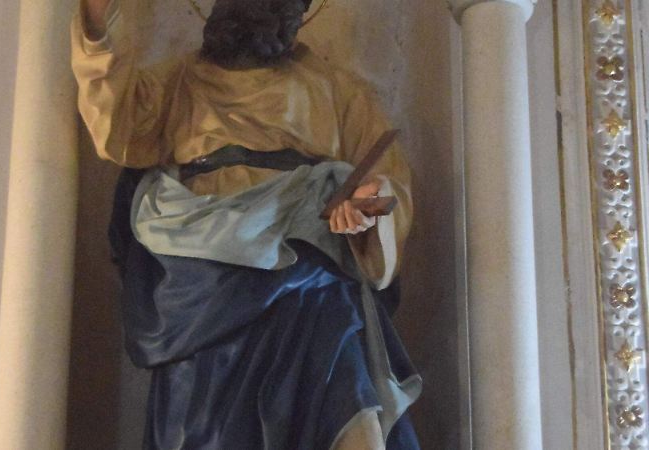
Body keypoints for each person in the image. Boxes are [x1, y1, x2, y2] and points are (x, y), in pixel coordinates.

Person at [71, 0, 422, 448]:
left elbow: (388, 184)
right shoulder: (178, 82)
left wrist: (361, 205)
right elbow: (117, 127)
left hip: (305, 276)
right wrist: (96, 26)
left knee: (342, 356)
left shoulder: (337, 91)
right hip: (205, 283)